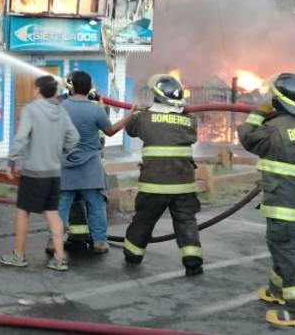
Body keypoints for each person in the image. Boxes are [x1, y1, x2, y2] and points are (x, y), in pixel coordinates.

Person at [237, 73, 295, 329]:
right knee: (284, 247)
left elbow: (248, 136)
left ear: (278, 101)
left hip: (284, 201)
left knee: (289, 250)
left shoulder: (275, 130)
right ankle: (277, 290)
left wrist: (258, 112)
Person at [122, 74, 203, 276]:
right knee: (186, 221)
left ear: (156, 97)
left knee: (144, 221)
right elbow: (190, 135)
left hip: (154, 185)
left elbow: (130, 129)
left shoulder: (144, 119)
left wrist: (139, 111)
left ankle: (133, 255)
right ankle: (193, 262)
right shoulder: (189, 121)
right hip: (184, 185)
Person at [50, 71, 136, 255]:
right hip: (90, 169)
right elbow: (111, 131)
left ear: (71, 87)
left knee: (61, 208)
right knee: (96, 206)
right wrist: (131, 114)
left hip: (66, 167)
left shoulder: (61, 106)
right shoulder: (95, 109)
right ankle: (99, 242)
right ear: (89, 88)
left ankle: (52, 242)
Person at [0, 75, 80, 271]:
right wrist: (60, 150)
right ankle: (60, 258)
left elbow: (20, 138)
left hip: (33, 173)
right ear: (53, 92)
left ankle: (18, 255)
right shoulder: (61, 111)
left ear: (37, 90)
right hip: (53, 173)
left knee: (23, 213)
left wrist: (11, 161)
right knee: (53, 214)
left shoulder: (31, 109)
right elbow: (74, 137)